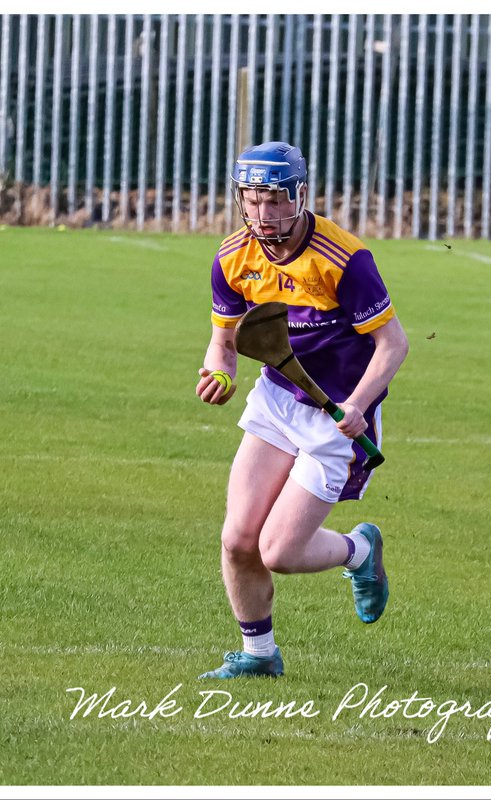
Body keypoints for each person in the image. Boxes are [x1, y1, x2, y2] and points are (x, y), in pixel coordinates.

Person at [195, 141, 409, 679]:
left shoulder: (344, 260)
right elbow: (224, 341)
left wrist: (360, 404)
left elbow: (393, 344)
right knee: (238, 539)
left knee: (280, 552)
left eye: (273, 200)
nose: (262, 214)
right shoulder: (232, 258)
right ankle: (259, 657)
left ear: (299, 195)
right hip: (276, 401)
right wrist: (220, 373)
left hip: (335, 415)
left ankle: (359, 550)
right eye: (252, 200)